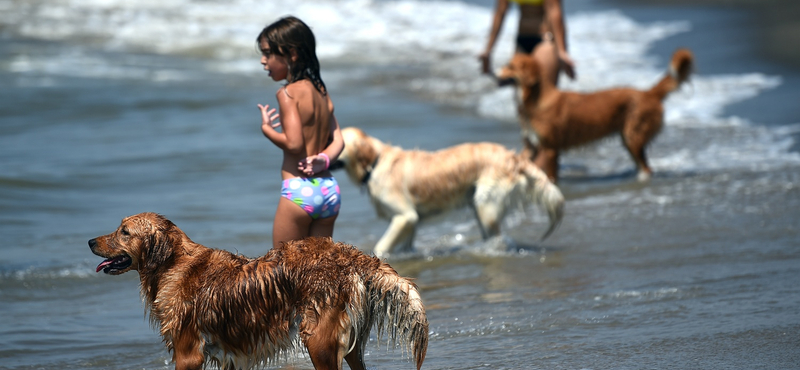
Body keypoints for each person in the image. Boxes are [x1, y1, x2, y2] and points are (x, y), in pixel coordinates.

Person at [256, 16, 344, 248]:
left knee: (283, 272)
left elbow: (294, 144)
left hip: (300, 192)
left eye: (267, 53)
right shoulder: (321, 90)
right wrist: (323, 159)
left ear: (292, 54)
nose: (263, 61)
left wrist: (267, 130)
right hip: (328, 190)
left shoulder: (287, 93)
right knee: (318, 272)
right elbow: (339, 141)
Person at [479, 0, 576, 86]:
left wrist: (562, 51)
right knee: (521, 100)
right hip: (522, 39)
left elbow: (554, 12)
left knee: (545, 97)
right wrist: (488, 50)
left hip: (545, 40)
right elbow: (500, 12)